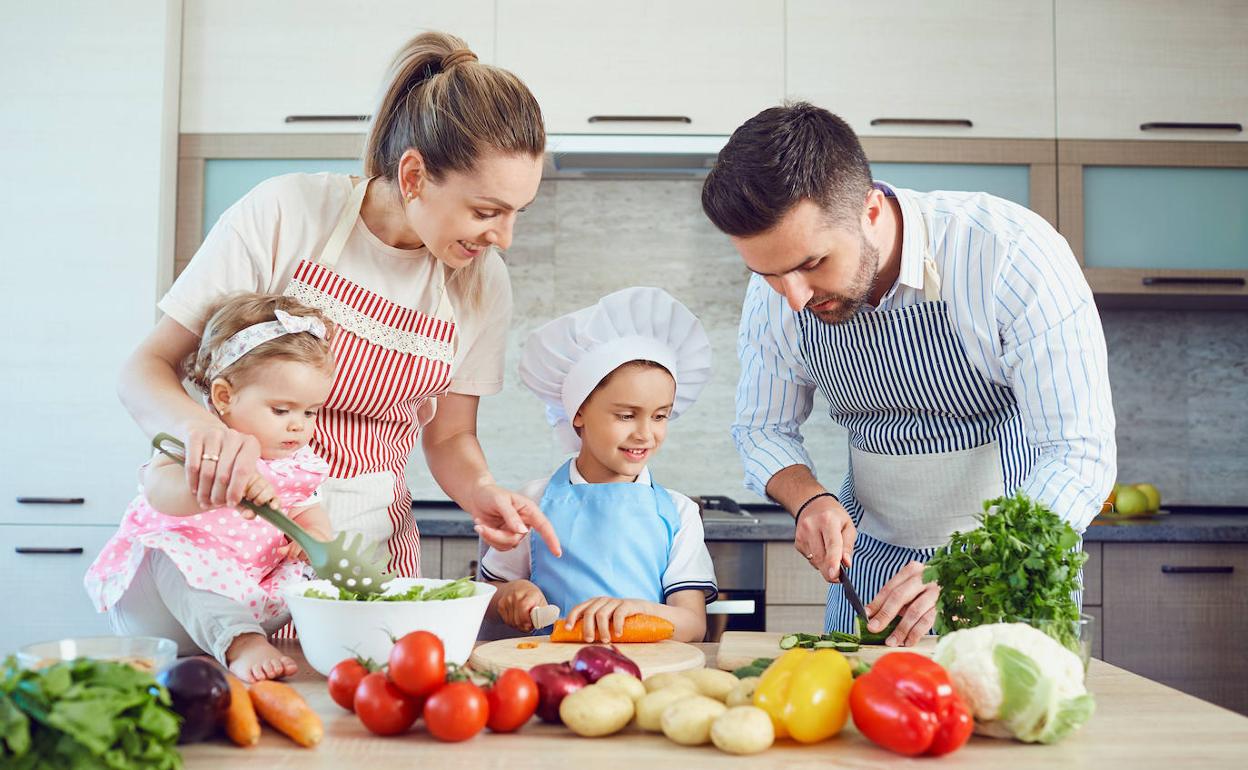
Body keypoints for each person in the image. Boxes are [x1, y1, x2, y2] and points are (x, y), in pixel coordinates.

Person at [117, 31, 561, 581]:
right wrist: (197, 431)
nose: (504, 237)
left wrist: (483, 491)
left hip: (363, 555)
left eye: (517, 212)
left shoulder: (481, 283)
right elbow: (145, 369)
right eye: (486, 211)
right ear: (414, 176)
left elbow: (449, 436)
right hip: (232, 545)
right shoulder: (287, 213)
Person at [701, 103, 1116, 645]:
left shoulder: (1008, 254)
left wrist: (973, 568)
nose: (794, 297)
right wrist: (808, 498)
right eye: (769, 274)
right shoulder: (777, 290)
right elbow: (763, 430)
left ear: (870, 210)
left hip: (1009, 571)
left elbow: (1078, 453)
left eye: (812, 264)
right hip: (871, 571)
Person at [86, 294, 335, 681]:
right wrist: (219, 487)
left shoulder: (293, 463)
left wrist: (314, 536)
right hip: (162, 610)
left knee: (308, 571)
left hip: (247, 601)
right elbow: (159, 493)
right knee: (166, 547)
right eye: (282, 410)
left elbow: (308, 510)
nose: (298, 425)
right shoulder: (194, 441)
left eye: (310, 412)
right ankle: (241, 643)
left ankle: (260, 635)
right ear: (224, 396)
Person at [481, 288, 717, 643]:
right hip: (551, 671)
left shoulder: (678, 513)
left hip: (645, 677)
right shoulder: (533, 500)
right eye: (626, 415)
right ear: (579, 413)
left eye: (660, 416)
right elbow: (492, 591)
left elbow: (693, 624)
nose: (645, 434)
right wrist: (512, 593)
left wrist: (641, 610)